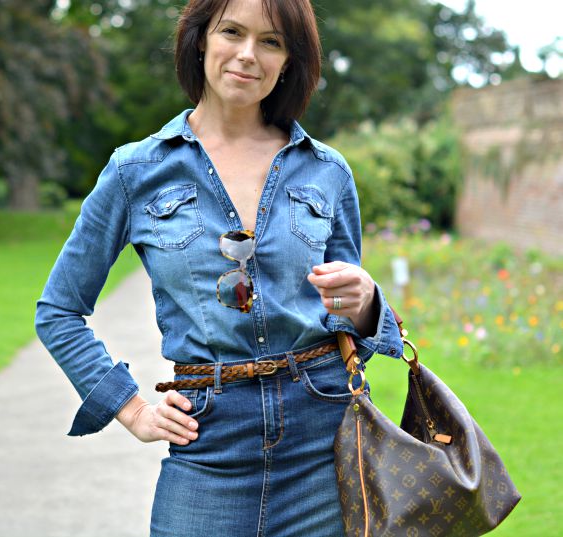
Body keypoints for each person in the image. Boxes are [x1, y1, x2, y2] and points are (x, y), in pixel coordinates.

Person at [35, 0, 404, 535]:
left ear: (288, 61)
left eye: (272, 41)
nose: (248, 54)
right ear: (201, 39)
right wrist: (130, 407)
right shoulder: (135, 170)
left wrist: (368, 304)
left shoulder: (327, 171)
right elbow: (59, 311)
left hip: (324, 436)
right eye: (232, 32)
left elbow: (349, 316)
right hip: (207, 442)